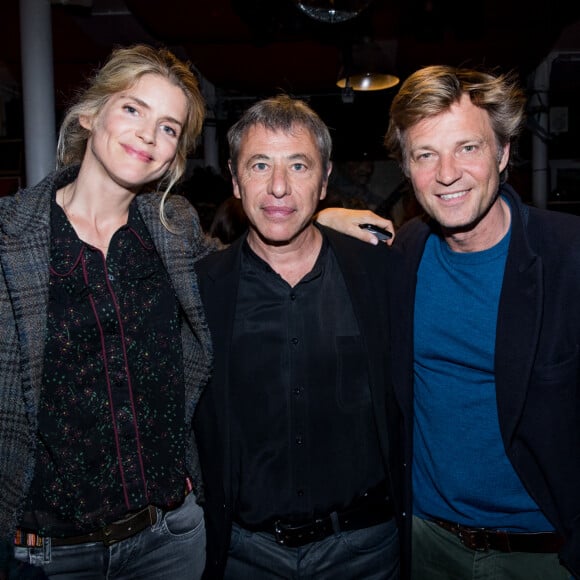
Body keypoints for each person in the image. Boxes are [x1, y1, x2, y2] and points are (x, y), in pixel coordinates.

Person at [319, 65, 580, 579]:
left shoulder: (569, 255)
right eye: (425, 155)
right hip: (427, 544)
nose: (446, 173)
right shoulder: (403, 255)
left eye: (468, 148)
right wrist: (320, 217)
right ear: (407, 168)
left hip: (545, 554)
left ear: (503, 153)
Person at [0, 43, 221, 579]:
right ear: (89, 114)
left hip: (170, 539)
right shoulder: (10, 235)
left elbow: (246, 269)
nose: (149, 134)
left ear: (175, 155)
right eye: (132, 109)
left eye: (169, 128)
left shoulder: (175, 231)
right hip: (48, 554)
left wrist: (323, 220)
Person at [193, 94, 402, 580]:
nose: (279, 187)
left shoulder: (380, 275)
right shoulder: (202, 288)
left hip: (367, 550)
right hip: (246, 554)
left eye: (299, 166)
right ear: (235, 178)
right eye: (260, 164)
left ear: (326, 180)